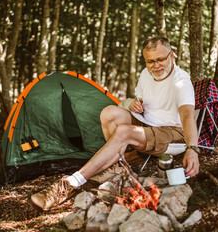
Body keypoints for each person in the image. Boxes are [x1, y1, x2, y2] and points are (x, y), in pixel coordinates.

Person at [28, 36, 200, 211]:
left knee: (124, 131)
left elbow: (187, 116)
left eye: (161, 59)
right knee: (109, 112)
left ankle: (70, 184)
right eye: (151, 61)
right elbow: (140, 101)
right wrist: (133, 103)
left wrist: (192, 149)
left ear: (171, 56)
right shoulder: (145, 74)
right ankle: (118, 166)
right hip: (147, 125)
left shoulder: (181, 81)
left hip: (174, 134)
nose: (156, 66)